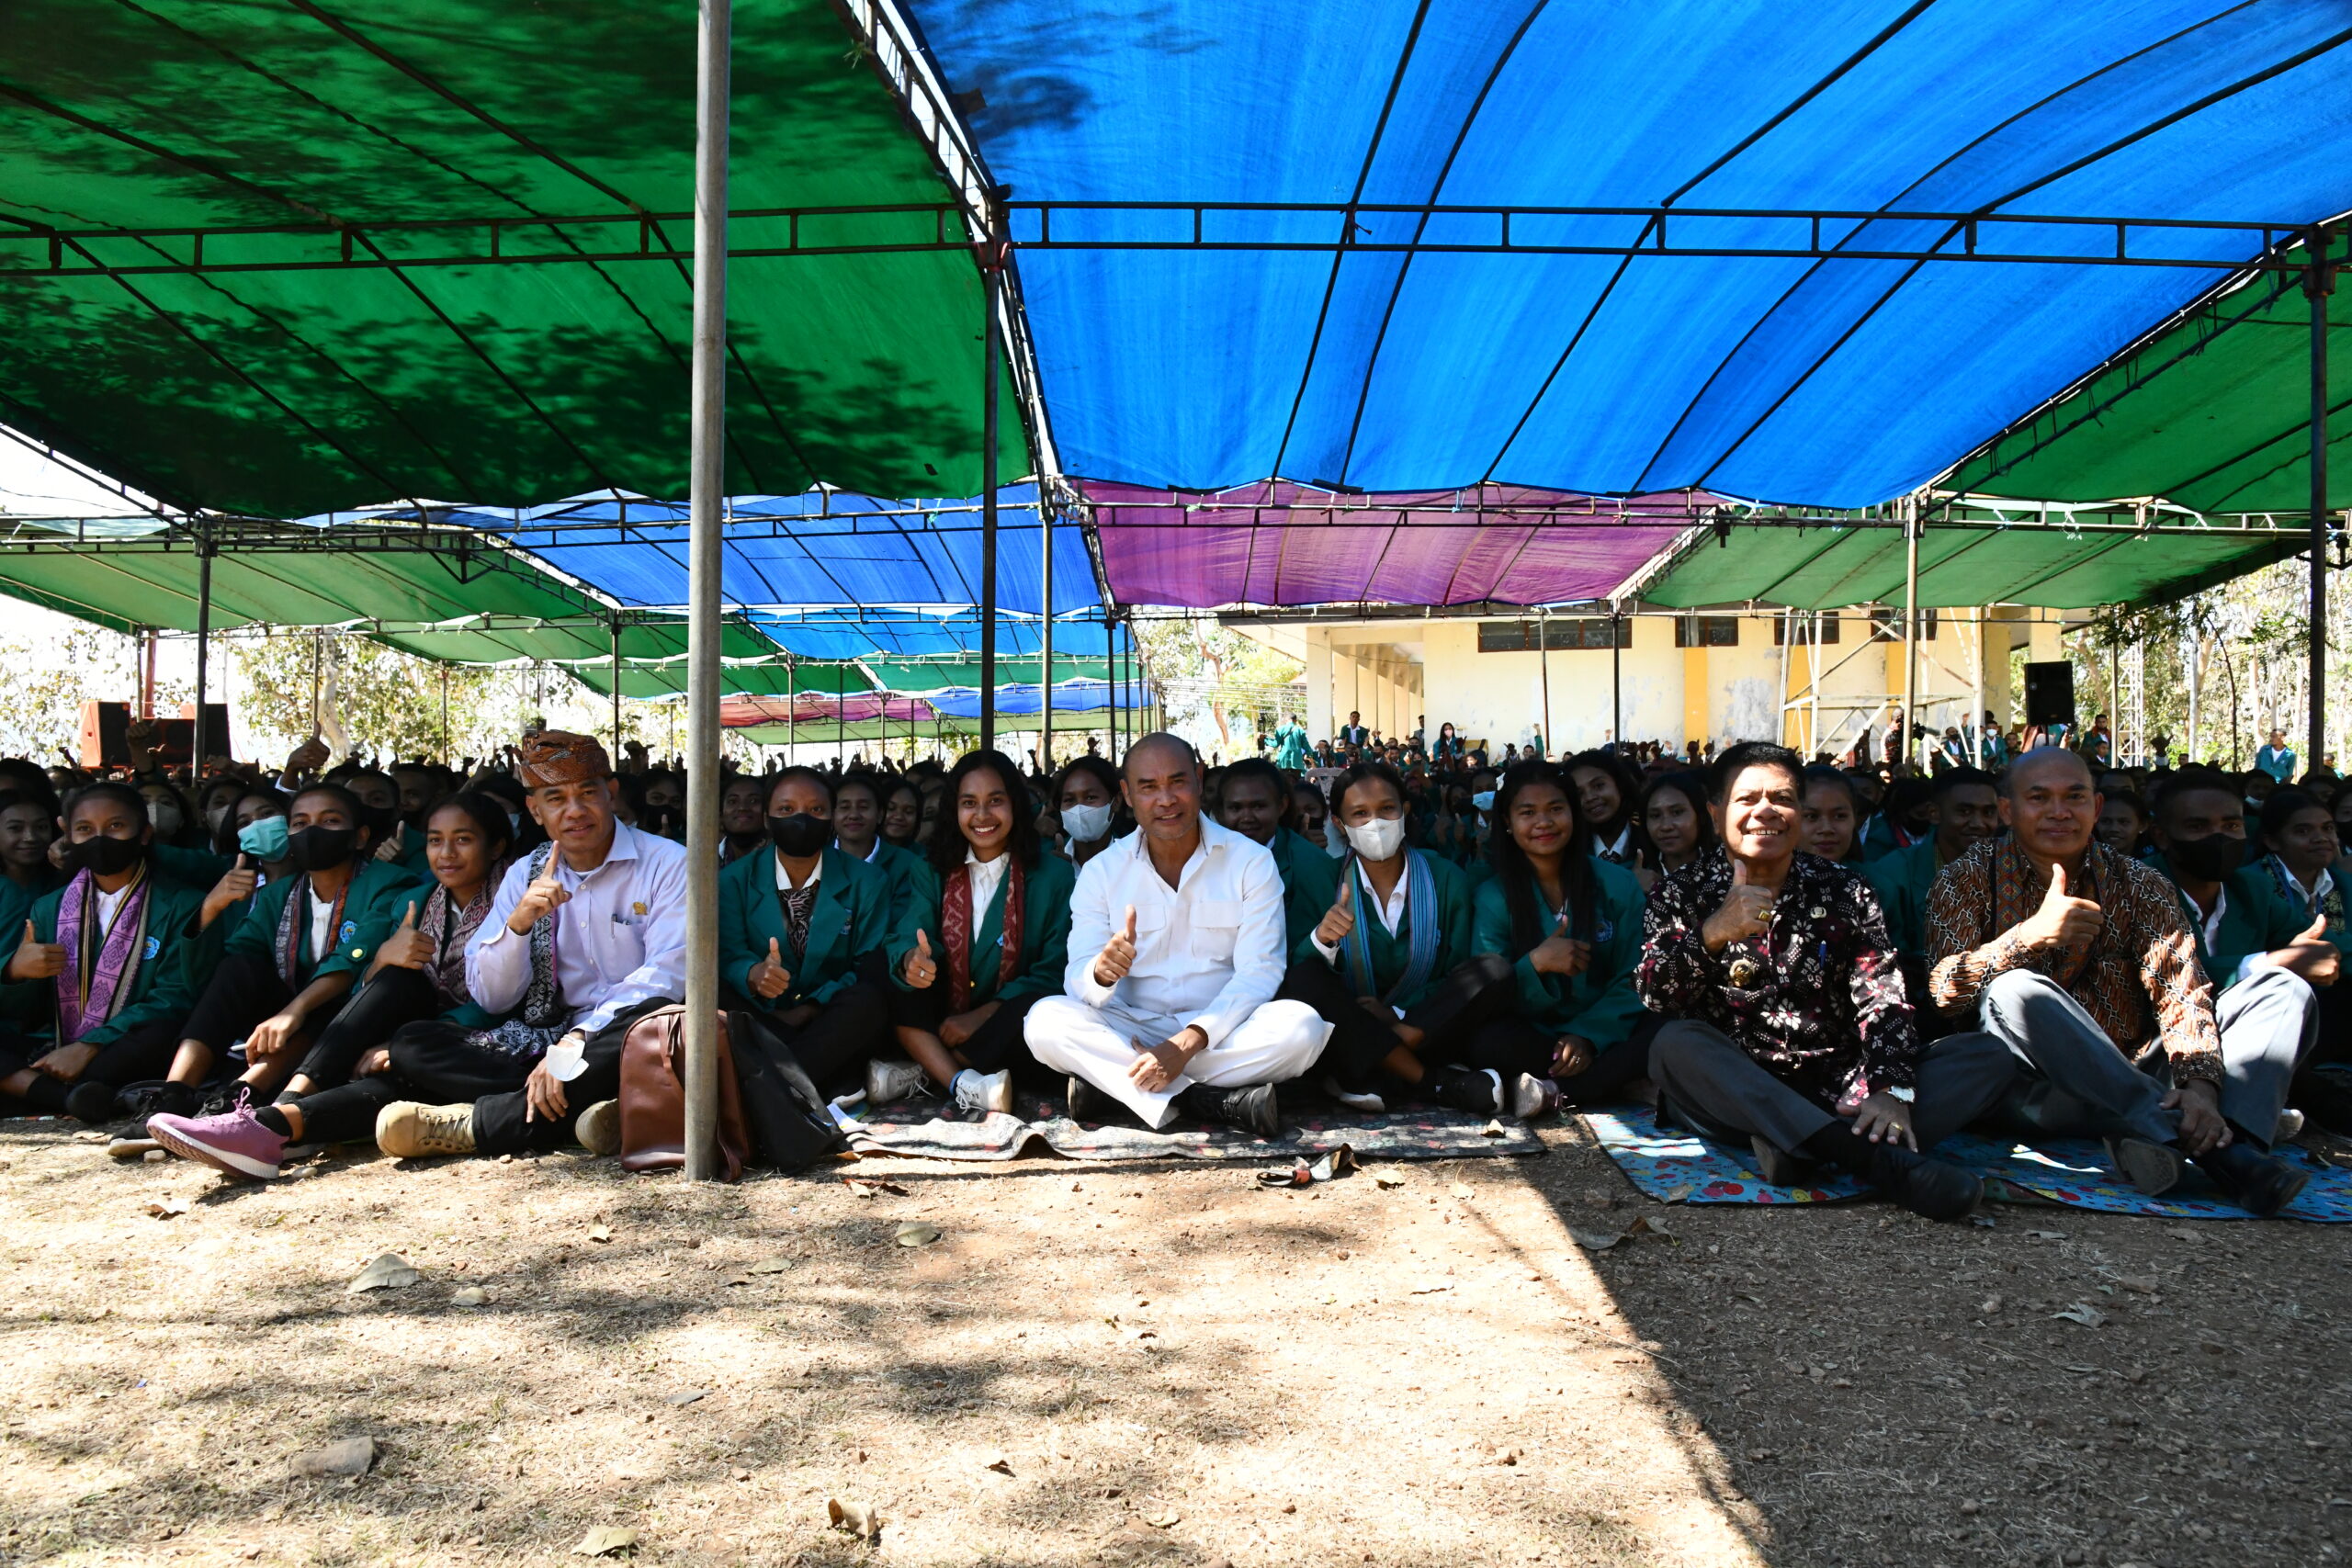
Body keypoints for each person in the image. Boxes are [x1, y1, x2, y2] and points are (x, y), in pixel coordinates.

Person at [1924, 749, 2316, 1215]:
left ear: (2097, 808)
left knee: (2284, 988)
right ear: (2008, 810)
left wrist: (2201, 1089)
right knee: (2015, 990)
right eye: (2039, 798)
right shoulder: (1963, 879)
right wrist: (2027, 938)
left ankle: (2227, 1141)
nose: (2059, 811)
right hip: (2032, 1092)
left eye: (2074, 796)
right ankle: (2209, 1150)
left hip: (2141, 1071)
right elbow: (1944, 992)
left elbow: (2181, 990)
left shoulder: (2140, 882)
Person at [1634, 742, 2007, 1220]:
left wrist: (1893, 1091)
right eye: (1747, 799)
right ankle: (1875, 1161)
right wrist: (1713, 933)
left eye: (1783, 799)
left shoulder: (1846, 888)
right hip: (1741, 1089)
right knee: (1674, 1044)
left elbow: (1883, 996)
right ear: (1715, 812)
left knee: (1987, 1055)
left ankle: (1803, 1146)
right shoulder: (1679, 892)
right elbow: (1656, 995)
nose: (1765, 811)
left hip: (1843, 1087)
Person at [144, 795, 546, 1179]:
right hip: (417, 1033)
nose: (446, 854)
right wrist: (382, 958)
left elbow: (504, 997)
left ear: (496, 848)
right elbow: (360, 977)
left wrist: (402, 1040)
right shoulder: (416, 898)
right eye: (436, 841)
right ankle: (273, 1117)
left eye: (463, 840)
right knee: (396, 982)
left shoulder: (516, 901)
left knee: (402, 1063)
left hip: (480, 1035)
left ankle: (269, 1124)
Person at [369, 732, 688, 1160]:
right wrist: (518, 926)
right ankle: (589, 1104)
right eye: (555, 799)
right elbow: (493, 997)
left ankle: (484, 1122)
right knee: (413, 1044)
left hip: (622, 1033)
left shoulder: (668, 863)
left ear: (611, 794)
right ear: (535, 811)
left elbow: (667, 975)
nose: (574, 811)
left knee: (663, 1023)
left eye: (587, 794)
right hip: (550, 1034)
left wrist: (578, 1040)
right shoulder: (525, 874)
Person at [1024, 734, 1330, 1134]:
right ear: (1127, 795)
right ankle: (1207, 1100)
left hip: (1220, 1029)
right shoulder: (1102, 872)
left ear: (1200, 782)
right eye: (1148, 787)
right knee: (1044, 1022)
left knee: (1301, 1029)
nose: (1165, 799)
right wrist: (1101, 973)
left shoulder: (1251, 862)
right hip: (1129, 1025)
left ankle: (1125, 1087)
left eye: (1177, 782)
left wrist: (1186, 1044)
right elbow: (1077, 975)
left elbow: (1260, 972)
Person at [151, 784, 424, 1118]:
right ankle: (173, 1095)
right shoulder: (278, 895)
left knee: (329, 1003)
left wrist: (292, 1011)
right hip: (288, 1019)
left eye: (330, 821)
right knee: (239, 968)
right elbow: (228, 965)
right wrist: (210, 909)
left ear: (359, 836)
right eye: (300, 823)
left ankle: (239, 1098)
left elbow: (355, 958)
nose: (311, 831)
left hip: (354, 1020)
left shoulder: (392, 883)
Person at [1277, 761, 1521, 1116]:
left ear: (1405, 811)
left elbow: (1457, 970)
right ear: (1339, 825)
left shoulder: (1446, 878)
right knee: (1303, 980)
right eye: (1359, 813)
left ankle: (1379, 1067)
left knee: (1494, 970)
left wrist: (1396, 1016)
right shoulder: (1323, 881)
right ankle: (1430, 1081)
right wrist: (1321, 940)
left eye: (1387, 809)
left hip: (1424, 1026)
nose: (1375, 823)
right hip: (1349, 1027)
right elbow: (1300, 973)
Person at [883, 750, 1075, 1114]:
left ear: (1015, 805)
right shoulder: (930, 869)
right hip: (941, 1011)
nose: (982, 816)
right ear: (953, 810)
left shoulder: (1054, 876)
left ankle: (929, 1069)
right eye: (969, 803)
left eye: (995, 801)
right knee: (885, 971)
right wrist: (911, 958)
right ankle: (962, 1081)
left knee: (1042, 1008)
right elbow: (911, 930)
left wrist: (981, 1016)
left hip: (1006, 1019)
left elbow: (1053, 969)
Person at [0, 784, 204, 1122]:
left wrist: (89, 1045)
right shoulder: (49, 908)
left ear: (144, 834)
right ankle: (71, 1097)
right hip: (54, 1045)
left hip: (123, 1046)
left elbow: (175, 996)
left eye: (115, 826)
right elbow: (29, 1011)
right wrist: (15, 973)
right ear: (68, 835)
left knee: (165, 1030)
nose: (100, 839)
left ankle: (50, 1092)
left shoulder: (183, 903)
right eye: (85, 829)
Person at [1469, 761, 1652, 1115]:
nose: (1544, 822)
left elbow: (1636, 973)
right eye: (1527, 812)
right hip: (1535, 1037)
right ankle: (1611, 1082)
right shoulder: (1493, 896)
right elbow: (1487, 992)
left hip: (1608, 1030)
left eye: (1556, 809)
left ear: (1574, 813)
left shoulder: (1618, 884)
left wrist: (1588, 1035)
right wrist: (1535, 964)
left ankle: (1555, 1091)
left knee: (1665, 1023)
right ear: (1506, 821)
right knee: (1487, 1041)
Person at [718, 767, 897, 1100]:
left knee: (869, 1000)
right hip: (761, 1017)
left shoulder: (867, 881)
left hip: (829, 1018)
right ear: (768, 818)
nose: (801, 820)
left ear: (831, 818)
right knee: (707, 992)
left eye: (816, 810)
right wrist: (752, 974)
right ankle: (809, 1083)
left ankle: (765, 1094)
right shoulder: (733, 881)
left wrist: (812, 1006)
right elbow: (728, 953)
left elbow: (866, 963)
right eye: (786, 810)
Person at [1865, 765, 2001, 972]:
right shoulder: (1894, 873)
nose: (1978, 823)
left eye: (1988, 812)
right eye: (1964, 811)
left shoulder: (2007, 868)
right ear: (1934, 813)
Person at [1215, 758, 1338, 950]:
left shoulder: (1312, 865)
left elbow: (1310, 949)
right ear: (1221, 811)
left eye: (1258, 806)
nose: (1247, 818)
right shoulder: (1206, 859)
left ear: (1281, 806)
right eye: (1235, 808)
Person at [1566, 750, 1645, 869]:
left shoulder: (1651, 841)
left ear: (1620, 786)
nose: (1590, 798)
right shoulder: (1570, 851)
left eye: (1598, 785)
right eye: (1578, 793)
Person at [0, 792, 62, 937]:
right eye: (16, 828)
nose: (30, 837)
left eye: (41, 827)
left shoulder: (58, 882)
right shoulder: (5, 888)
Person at [1638, 770, 1716, 879]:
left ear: (1701, 816)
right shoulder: (1634, 879)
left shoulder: (1727, 873)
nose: (1665, 826)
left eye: (1677, 812)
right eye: (1655, 816)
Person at [1056, 756, 1124, 869]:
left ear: (1116, 802)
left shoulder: (1134, 860)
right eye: (1069, 800)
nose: (1079, 809)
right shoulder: (1048, 861)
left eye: (1090, 798)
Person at [1798, 766, 1862, 863]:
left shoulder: (1874, 878)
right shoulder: (1771, 878)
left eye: (1840, 816)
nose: (1826, 829)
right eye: (1811, 816)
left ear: (1854, 818)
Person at [718, 773, 769, 864]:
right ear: (721, 815)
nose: (742, 808)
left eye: (753, 801)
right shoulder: (703, 860)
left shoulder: (782, 861)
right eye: (733, 801)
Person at [2097, 790, 2149, 856]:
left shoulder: (2153, 864)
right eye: (2106, 821)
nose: (2114, 828)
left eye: (2124, 822)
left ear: (2142, 826)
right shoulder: (2083, 861)